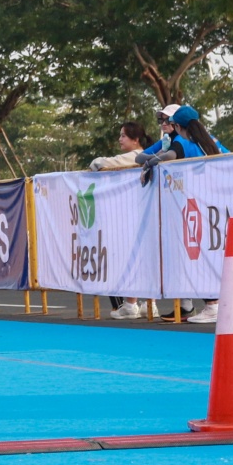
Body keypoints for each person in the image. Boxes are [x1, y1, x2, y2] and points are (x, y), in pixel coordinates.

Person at [144, 105, 228, 325]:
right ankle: (212, 304)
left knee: (196, 255)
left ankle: (212, 305)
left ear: (177, 126)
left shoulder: (182, 141)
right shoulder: (212, 140)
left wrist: (149, 164)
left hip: (194, 205)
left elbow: (168, 156)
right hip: (216, 203)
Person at [92, 121, 152, 320]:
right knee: (144, 260)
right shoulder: (147, 154)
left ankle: (131, 304)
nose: (120, 139)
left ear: (136, 140)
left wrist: (96, 163)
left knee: (130, 258)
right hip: (143, 213)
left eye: (123, 135)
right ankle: (148, 304)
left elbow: (102, 163)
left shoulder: (135, 155)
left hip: (133, 215)